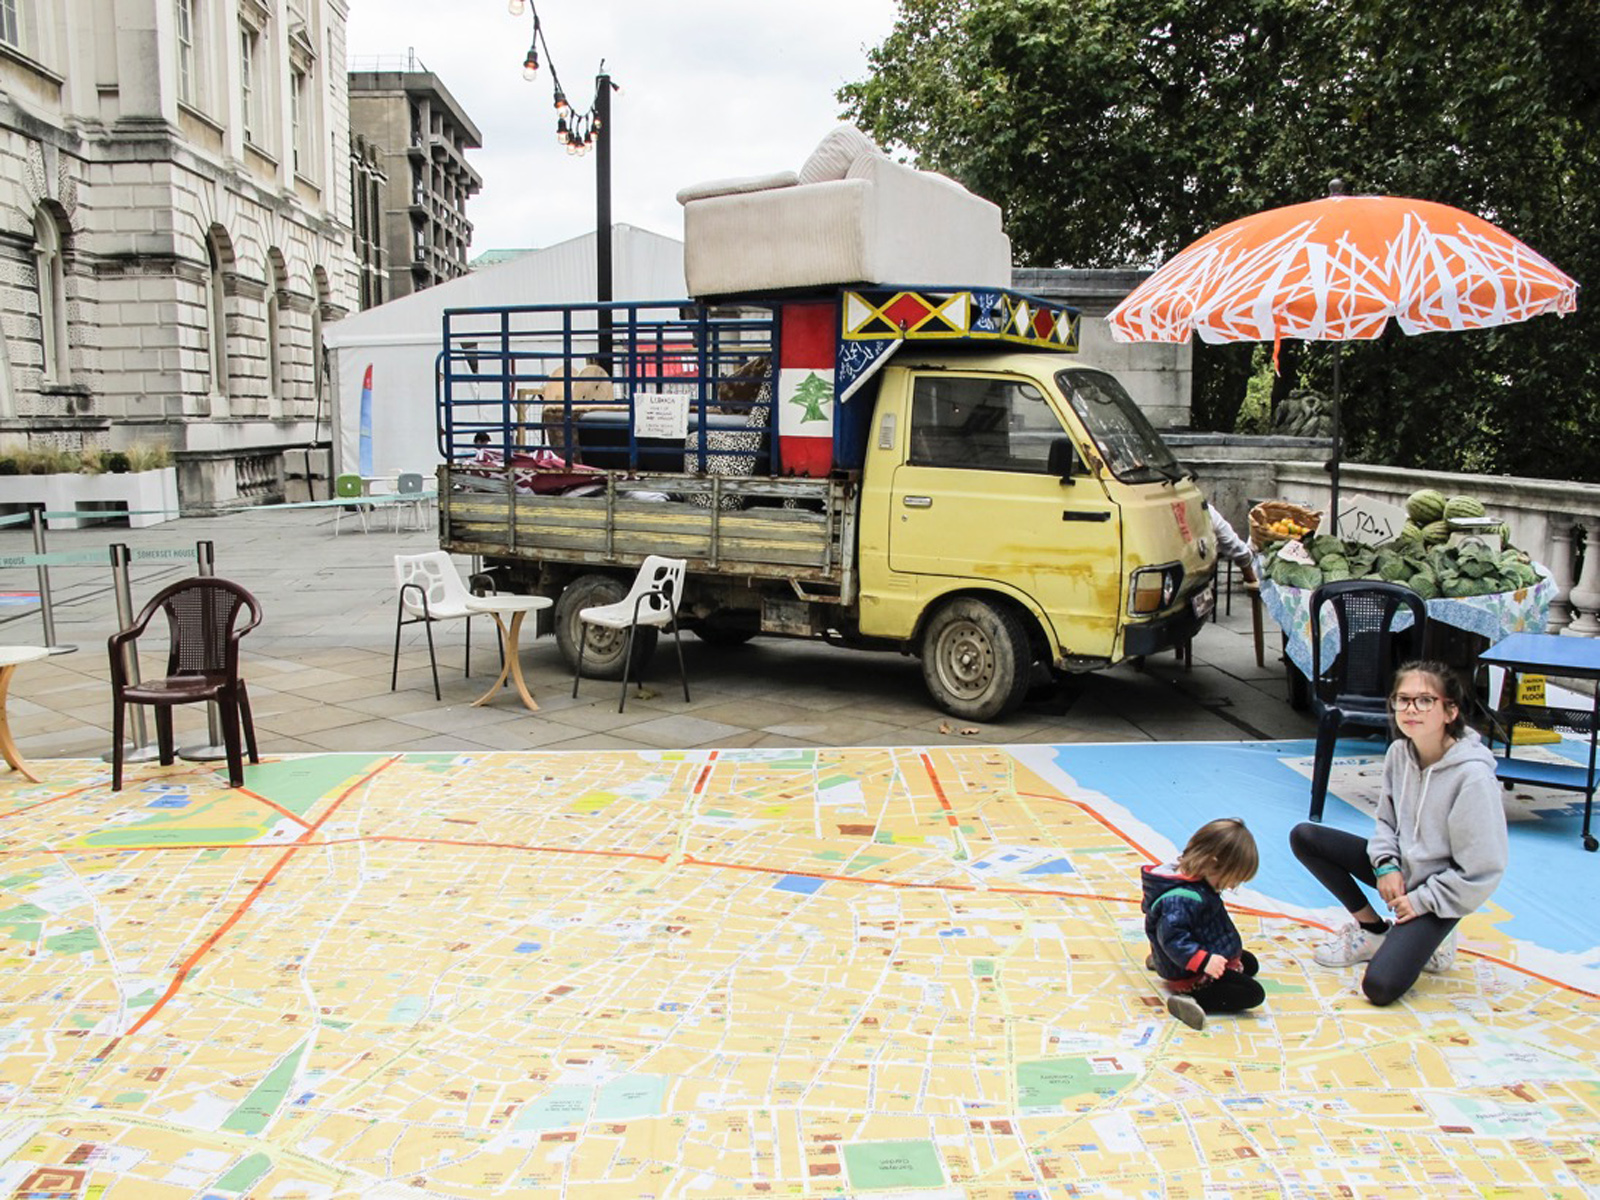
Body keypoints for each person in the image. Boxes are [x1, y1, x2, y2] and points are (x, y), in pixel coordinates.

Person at [1289, 660, 1506, 1006]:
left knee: (1380, 987)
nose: (1410, 709)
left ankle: (1437, 936)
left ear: (1450, 711)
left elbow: (1481, 871)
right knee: (1306, 837)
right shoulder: (1399, 753)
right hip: (1402, 872)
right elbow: (1386, 822)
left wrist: (1419, 901)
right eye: (1402, 700)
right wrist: (1386, 865)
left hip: (1440, 894)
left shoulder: (1473, 777)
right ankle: (1373, 930)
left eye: (1425, 700)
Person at [1142, 817, 1266, 1030]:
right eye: (1230, 880)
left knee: (1250, 963)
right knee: (1253, 993)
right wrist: (1204, 961)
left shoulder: (1199, 879)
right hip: (1191, 972)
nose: (1230, 886)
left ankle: (1161, 959)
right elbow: (1172, 938)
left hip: (1198, 947)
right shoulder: (1179, 898)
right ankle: (1192, 999)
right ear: (1213, 863)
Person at [1206, 500, 1257, 585]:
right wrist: (1250, 576)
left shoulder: (1202, 508)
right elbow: (1233, 544)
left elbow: (1233, 544)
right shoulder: (1203, 509)